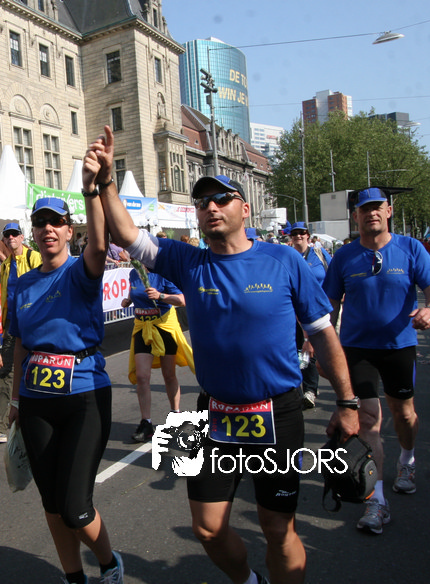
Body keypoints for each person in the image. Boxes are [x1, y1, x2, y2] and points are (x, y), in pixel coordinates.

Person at [94, 125, 358, 584]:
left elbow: (323, 335)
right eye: (202, 202)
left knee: (278, 529)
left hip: (276, 412)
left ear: (244, 208)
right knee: (207, 528)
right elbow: (127, 233)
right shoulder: (188, 261)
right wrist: (106, 182)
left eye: (221, 199)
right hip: (213, 414)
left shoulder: (284, 260)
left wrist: (348, 402)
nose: (211, 207)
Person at [8, 193, 123, 583]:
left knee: (75, 508)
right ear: (33, 232)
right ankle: (74, 577)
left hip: (84, 396)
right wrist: (15, 399)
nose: (48, 229)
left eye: (56, 222)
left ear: (69, 231)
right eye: (40, 223)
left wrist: (92, 192)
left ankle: (108, 564)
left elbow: (100, 246)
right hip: (36, 401)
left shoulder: (80, 271)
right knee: (53, 505)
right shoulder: (23, 284)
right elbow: (20, 344)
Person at [322, 187, 430, 535]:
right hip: (357, 348)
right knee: (367, 420)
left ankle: (407, 459)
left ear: (388, 211)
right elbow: (330, 305)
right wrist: (319, 346)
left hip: (398, 346)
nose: (371, 213)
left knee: (403, 414)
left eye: (377, 207)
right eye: (364, 209)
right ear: (356, 216)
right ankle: (376, 500)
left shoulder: (410, 248)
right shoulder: (344, 256)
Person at [0, 222, 42, 444]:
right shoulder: (6, 265)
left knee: (39, 367)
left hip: (35, 322)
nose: (11, 238)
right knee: (8, 372)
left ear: (21, 237)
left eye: (14, 234)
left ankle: (41, 417)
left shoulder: (34, 258)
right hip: (14, 324)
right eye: (7, 236)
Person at [121, 264, 194, 443]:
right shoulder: (133, 274)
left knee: (169, 374)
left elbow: (182, 300)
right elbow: (134, 292)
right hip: (142, 327)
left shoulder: (164, 273)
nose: (133, 257)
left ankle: (175, 414)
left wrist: (161, 296)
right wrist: (128, 300)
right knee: (142, 376)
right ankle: (146, 423)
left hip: (163, 326)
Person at [288, 222, 331, 409]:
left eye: (302, 233)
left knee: (315, 351)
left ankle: (312, 387)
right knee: (300, 350)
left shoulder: (319, 255)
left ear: (308, 235)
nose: (298, 236)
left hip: (318, 311)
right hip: (293, 313)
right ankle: (307, 390)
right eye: (295, 233)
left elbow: (333, 276)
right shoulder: (289, 256)